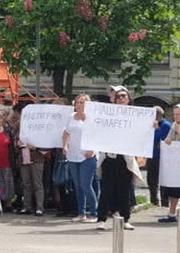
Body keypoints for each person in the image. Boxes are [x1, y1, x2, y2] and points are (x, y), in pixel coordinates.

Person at [95, 87, 144, 231]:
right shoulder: (108, 115)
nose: (122, 99)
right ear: (115, 100)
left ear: (129, 99)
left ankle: (125, 218)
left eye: (124, 96)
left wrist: (151, 126)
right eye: (119, 97)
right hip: (110, 157)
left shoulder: (135, 116)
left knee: (125, 190)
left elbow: (142, 131)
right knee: (106, 190)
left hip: (125, 158)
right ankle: (101, 219)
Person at [62, 94, 98, 223]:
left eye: (82, 102)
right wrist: (65, 145)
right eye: (77, 102)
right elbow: (66, 132)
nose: (79, 105)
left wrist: (92, 149)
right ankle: (81, 213)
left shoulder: (92, 118)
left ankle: (94, 213)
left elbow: (98, 135)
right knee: (77, 186)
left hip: (87, 156)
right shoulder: (71, 117)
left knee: (86, 184)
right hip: (73, 154)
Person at [159, 105, 180, 223]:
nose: (176, 116)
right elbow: (169, 139)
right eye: (175, 114)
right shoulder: (173, 125)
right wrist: (168, 141)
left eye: (179, 114)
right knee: (174, 190)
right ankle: (171, 214)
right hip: (175, 164)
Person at [148, 106, 171, 207]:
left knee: (162, 180)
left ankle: (165, 202)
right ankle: (154, 201)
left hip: (162, 157)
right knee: (151, 180)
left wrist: (156, 129)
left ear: (158, 115)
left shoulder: (166, 125)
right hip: (151, 156)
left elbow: (160, 140)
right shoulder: (150, 125)